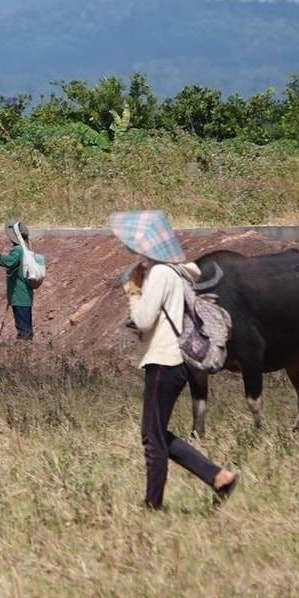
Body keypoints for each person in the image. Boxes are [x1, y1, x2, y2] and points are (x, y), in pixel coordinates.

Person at [108, 210, 239, 510]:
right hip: (174, 362)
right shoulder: (175, 273)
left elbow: (142, 319)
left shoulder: (162, 274)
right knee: (155, 433)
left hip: (165, 361)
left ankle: (153, 504)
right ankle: (218, 477)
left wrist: (133, 291)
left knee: (151, 438)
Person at [0, 221, 37, 340]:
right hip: (25, 295)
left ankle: (25, 345)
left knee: (23, 326)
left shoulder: (18, 250)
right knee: (24, 322)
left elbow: (10, 261)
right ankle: (24, 343)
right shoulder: (26, 249)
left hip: (19, 294)